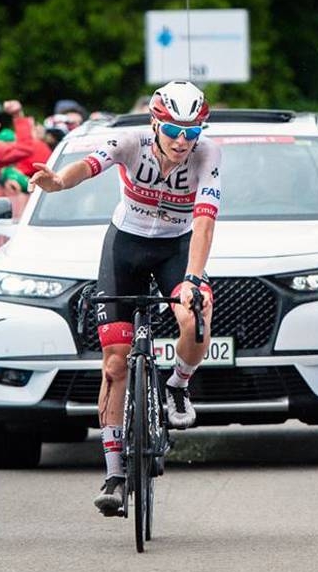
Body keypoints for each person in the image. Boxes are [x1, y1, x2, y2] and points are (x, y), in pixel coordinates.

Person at [29, 80, 221, 516]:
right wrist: (59, 182)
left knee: (198, 310)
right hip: (125, 247)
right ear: (156, 123)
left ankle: (178, 387)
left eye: (192, 133)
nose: (182, 141)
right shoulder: (132, 141)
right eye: (173, 130)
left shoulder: (208, 155)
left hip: (176, 247)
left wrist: (191, 278)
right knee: (115, 363)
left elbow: (205, 223)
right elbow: (91, 164)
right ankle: (115, 474)